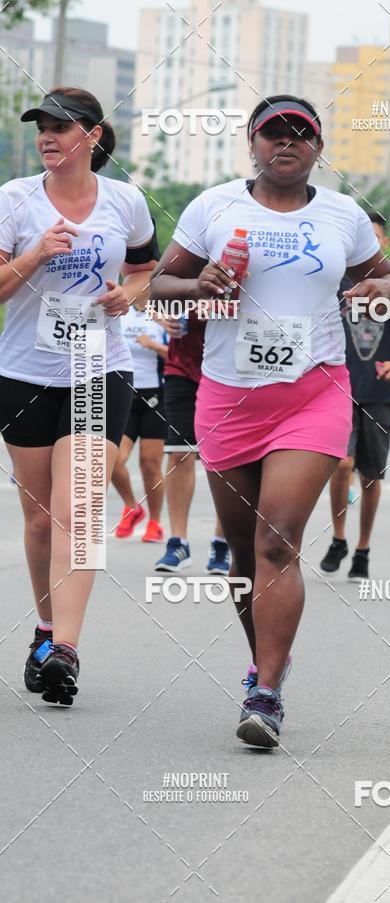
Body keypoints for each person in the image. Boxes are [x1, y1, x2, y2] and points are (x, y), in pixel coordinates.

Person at [150, 94, 390, 748]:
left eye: (300, 134)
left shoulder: (343, 214)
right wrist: (199, 284)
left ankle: (264, 694)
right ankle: (270, 660)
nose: (285, 144)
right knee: (242, 555)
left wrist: (383, 287)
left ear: (318, 147)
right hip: (228, 397)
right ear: (252, 142)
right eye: (273, 134)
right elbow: (157, 285)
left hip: (313, 392)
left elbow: (389, 278)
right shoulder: (213, 208)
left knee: (277, 540)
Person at [0, 88, 158, 703]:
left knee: (78, 511)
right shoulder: (14, 199)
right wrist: (36, 255)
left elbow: (144, 271)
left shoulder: (126, 201)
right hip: (24, 375)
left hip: (100, 369)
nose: (48, 136)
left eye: (61, 127)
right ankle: (45, 628)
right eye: (41, 127)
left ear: (92, 136)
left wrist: (128, 296)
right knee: (40, 519)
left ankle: (65, 648)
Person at [320, 211, 390, 580]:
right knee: (341, 464)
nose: (367, 242)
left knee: (371, 477)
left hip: (380, 392)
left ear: (385, 243)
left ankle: (362, 549)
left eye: (374, 236)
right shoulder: (335, 279)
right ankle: (338, 537)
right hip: (338, 388)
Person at [153, 311, 231, 574]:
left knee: (227, 459)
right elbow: (147, 296)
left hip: (230, 369)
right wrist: (158, 316)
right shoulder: (179, 275)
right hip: (182, 367)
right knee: (179, 453)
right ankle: (178, 543)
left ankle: (222, 543)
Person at [111, 301, 168, 541]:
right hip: (126, 396)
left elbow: (180, 357)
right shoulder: (121, 312)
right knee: (112, 460)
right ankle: (131, 506)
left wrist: (153, 345)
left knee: (149, 464)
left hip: (156, 397)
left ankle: (155, 522)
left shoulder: (164, 314)